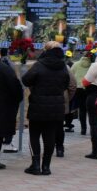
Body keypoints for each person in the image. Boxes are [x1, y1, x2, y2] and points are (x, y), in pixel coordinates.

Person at [21, 41, 74, 175]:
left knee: (34, 135)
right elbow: (66, 84)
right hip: (56, 108)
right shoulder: (63, 66)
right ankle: (46, 167)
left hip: (37, 106)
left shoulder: (39, 65)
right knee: (50, 136)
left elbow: (26, 80)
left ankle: (35, 164)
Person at [69, 51, 92, 134]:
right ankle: (92, 129)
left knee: (82, 109)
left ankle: (83, 129)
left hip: (79, 88)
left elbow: (71, 75)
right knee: (91, 110)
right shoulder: (93, 65)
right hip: (89, 88)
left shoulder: (76, 64)